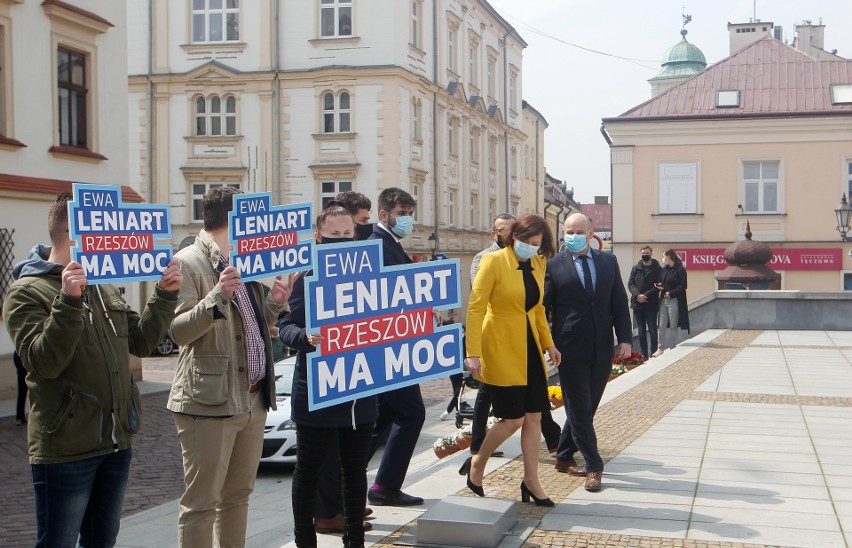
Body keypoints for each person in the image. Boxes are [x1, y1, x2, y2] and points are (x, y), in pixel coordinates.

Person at [2, 191, 181, 547]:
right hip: (66, 446)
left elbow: (141, 343)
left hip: (115, 441)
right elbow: (42, 363)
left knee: (102, 539)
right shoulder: (26, 292)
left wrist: (163, 295)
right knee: (58, 541)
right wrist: (68, 303)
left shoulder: (101, 285)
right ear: (74, 235)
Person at [168, 186, 295, 547]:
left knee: (238, 496)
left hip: (252, 399)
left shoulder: (245, 260)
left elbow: (248, 328)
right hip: (209, 402)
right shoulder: (189, 261)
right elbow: (177, 331)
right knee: (201, 504)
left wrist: (273, 304)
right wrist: (216, 296)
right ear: (236, 220)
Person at [279, 204, 377, 548]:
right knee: (308, 472)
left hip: (360, 392)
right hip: (316, 393)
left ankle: (354, 542)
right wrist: (304, 338)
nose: (342, 240)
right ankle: (305, 540)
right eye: (334, 235)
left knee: (354, 473)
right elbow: (285, 326)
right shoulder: (306, 277)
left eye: (347, 234)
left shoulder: (372, 276)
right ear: (318, 237)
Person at [463, 214, 562, 506]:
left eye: (537, 244)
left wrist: (549, 343)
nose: (531, 248)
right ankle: (478, 462)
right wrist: (472, 352)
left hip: (530, 347)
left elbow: (538, 309)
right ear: (513, 236)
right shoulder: (493, 262)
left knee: (535, 416)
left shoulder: (538, 263)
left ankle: (531, 481)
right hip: (500, 345)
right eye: (527, 242)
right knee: (513, 418)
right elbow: (475, 308)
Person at [544, 212, 632, 492]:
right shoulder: (553, 265)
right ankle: (594, 465)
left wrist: (626, 339)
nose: (573, 236)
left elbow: (618, 300)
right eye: (568, 231)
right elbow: (543, 309)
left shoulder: (608, 261)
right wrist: (547, 343)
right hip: (568, 349)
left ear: (591, 233)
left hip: (602, 345)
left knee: (587, 407)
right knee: (579, 407)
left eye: (578, 231)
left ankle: (562, 455)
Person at [365, 187, 425, 507]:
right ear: (384, 214)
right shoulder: (378, 243)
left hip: (394, 344)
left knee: (382, 417)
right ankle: (384, 486)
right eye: (403, 214)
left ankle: (346, 483)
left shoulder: (390, 243)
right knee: (413, 413)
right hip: (390, 347)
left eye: (410, 214)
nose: (408, 220)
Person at [627, 245, 662, 360]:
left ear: (651, 254)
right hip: (638, 305)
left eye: (647, 253)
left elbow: (658, 285)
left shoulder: (657, 268)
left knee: (652, 330)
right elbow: (630, 284)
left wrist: (645, 296)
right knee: (641, 331)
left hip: (651, 303)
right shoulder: (635, 268)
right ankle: (644, 355)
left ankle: (653, 352)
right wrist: (637, 295)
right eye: (643, 253)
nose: (645, 255)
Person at [654, 248, 690, 355]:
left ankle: (673, 346)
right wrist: (659, 287)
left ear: (669, 256)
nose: (663, 258)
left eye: (664, 256)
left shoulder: (680, 269)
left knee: (673, 323)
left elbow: (683, 286)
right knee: (661, 324)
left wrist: (671, 293)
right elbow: (661, 281)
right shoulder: (664, 269)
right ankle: (660, 348)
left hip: (674, 300)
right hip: (663, 299)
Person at [13, 351, 27, 425]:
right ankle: (20, 418)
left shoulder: (17, 352)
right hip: (24, 376)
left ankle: (20, 418)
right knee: (22, 396)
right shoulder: (19, 352)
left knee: (21, 396)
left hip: (22, 375)